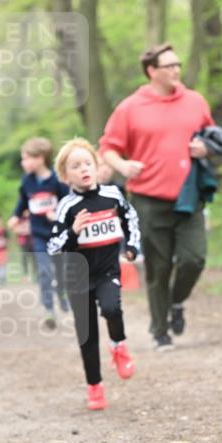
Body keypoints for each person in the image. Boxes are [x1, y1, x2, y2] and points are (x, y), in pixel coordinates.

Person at [100, 43, 215, 350]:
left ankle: (176, 302)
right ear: (152, 71)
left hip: (189, 196)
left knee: (194, 258)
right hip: (148, 199)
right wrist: (123, 165)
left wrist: (206, 148)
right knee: (158, 267)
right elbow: (108, 147)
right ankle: (160, 330)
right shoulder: (130, 107)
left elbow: (211, 137)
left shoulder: (195, 101)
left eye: (178, 64)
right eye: (169, 66)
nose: (176, 70)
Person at [47, 138, 141, 411]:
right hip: (78, 278)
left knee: (112, 308)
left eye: (87, 163)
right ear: (66, 176)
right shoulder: (66, 207)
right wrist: (74, 231)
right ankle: (95, 387)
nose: (83, 169)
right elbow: (53, 246)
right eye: (75, 166)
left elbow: (130, 219)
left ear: (97, 166)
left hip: (107, 270)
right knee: (86, 335)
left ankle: (118, 346)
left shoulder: (112, 195)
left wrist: (132, 247)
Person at [8, 137, 70, 328]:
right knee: (44, 271)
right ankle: (49, 310)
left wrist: (57, 214)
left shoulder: (57, 180)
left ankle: (63, 297)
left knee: (60, 271)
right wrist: (15, 216)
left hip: (57, 234)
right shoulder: (27, 181)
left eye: (26, 158)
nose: (23, 162)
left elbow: (68, 204)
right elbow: (23, 203)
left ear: (40, 158)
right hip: (38, 234)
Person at [14, 211, 35, 281]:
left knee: (35, 259)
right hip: (23, 242)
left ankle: (36, 275)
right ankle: (25, 275)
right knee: (24, 258)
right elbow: (15, 229)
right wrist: (24, 230)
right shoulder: (19, 218)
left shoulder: (33, 217)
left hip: (33, 241)